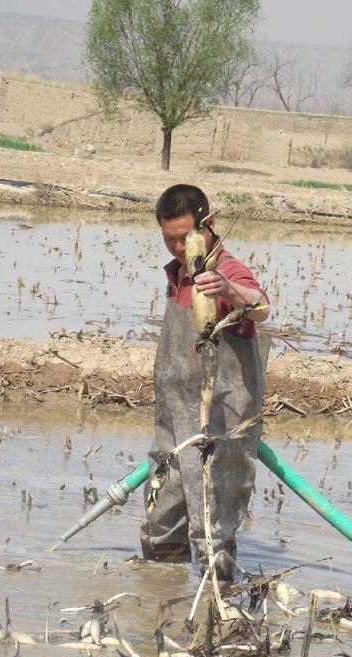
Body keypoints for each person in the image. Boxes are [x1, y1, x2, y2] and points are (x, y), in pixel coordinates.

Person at [140, 184, 269, 579]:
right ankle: (160, 592)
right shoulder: (179, 272)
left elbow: (261, 306)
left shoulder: (225, 270)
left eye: (185, 238)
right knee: (162, 515)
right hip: (174, 418)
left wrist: (228, 289)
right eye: (169, 239)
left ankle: (217, 598)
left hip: (215, 423)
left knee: (211, 518)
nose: (178, 247)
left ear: (207, 225)